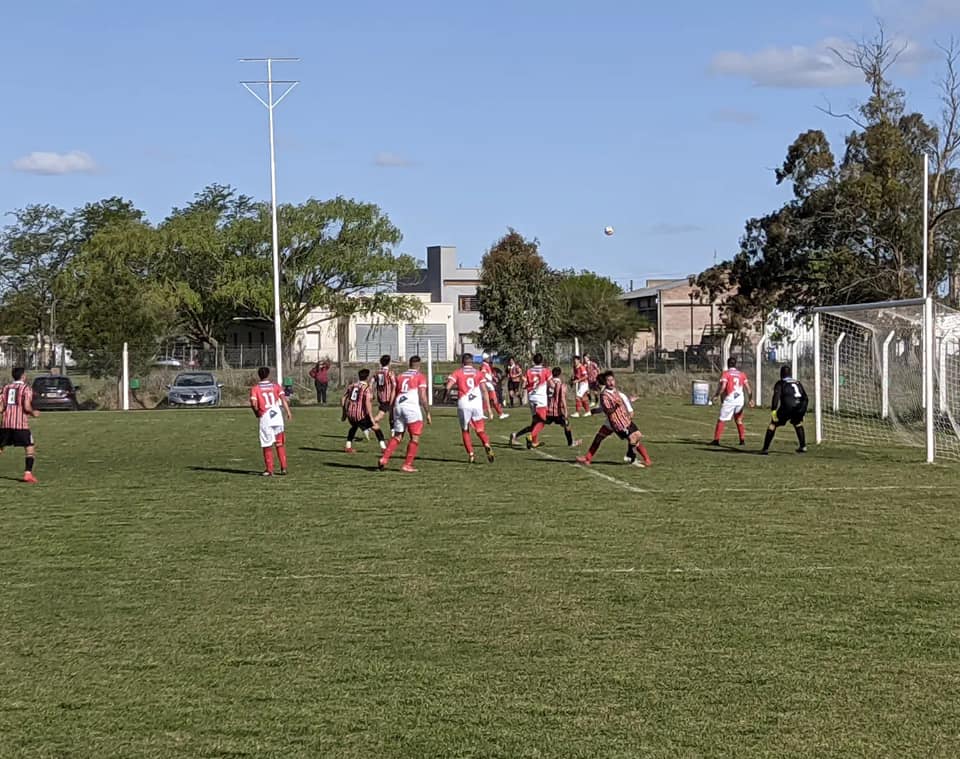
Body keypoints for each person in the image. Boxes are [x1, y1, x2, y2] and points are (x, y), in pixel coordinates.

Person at [577, 371, 652, 467]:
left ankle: (640, 458)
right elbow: (607, 409)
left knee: (634, 438)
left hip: (619, 420)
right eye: (608, 381)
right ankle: (588, 458)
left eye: (612, 380)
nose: (611, 382)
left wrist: (628, 408)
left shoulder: (616, 392)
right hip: (614, 421)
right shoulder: (604, 395)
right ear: (605, 382)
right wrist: (595, 411)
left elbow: (620, 403)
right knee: (600, 437)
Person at [379, 356, 432, 472]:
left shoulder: (400, 376)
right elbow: (423, 396)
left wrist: (391, 409)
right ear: (419, 365)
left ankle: (384, 458)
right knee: (415, 437)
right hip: (411, 407)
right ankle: (407, 465)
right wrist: (427, 412)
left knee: (397, 436)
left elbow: (393, 393)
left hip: (398, 405)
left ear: (409, 364)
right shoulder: (420, 376)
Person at [510, 366, 581, 449]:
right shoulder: (560, 385)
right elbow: (562, 399)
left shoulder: (547, 383)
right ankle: (571, 443)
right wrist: (565, 411)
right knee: (567, 425)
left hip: (547, 410)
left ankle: (516, 435)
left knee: (534, 426)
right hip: (557, 412)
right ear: (560, 375)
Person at [444, 353, 495, 463]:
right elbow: (484, 391)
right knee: (480, 430)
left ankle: (471, 454)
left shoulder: (458, 372)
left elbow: (448, 386)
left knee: (465, 430)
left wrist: (445, 394)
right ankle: (486, 444)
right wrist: (489, 409)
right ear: (472, 362)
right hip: (476, 404)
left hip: (464, 403)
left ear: (463, 362)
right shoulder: (478, 373)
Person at [249, 366, 292, 477]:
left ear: (259, 375)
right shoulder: (276, 386)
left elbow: (253, 403)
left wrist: (256, 412)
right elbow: (283, 400)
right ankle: (283, 468)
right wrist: (288, 412)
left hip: (266, 417)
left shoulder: (255, 388)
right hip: (277, 417)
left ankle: (269, 469)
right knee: (280, 443)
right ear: (268, 375)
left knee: (267, 444)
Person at [0, 367, 39, 483]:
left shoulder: (6, 388)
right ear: (23, 376)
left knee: (1, 447)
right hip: (20, 424)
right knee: (29, 447)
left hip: (6, 423)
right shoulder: (26, 388)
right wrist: (33, 413)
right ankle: (28, 474)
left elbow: (1, 407)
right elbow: (26, 406)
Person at [761, 365, 809, 454]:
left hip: (787, 407)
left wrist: (773, 410)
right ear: (790, 374)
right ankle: (803, 446)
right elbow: (805, 397)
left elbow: (776, 397)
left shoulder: (781, 383)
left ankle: (765, 449)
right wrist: (803, 410)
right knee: (797, 422)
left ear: (781, 374)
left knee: (773, 424)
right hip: (800, 406)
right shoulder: (798, 382)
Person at [710, 357, 753, 446]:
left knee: (721, 419)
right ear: (735, 364)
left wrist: (717, 395)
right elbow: (748, 389)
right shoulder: (741, 374)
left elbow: (723, 387)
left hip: (730, 400)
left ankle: (716, 440)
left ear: (728, 364)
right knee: (739, 420)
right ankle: (742, 440)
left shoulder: (726, 374)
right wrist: (750, 399)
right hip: (740, 400)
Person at [512, 352, 551, 448]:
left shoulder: (529, 371)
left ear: (533, 361)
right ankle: (530, 436)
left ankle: (531, 441)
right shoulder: (545, 371)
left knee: (535, 422)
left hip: (532, 398)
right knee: (542, 421)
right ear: (542, 361)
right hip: (540, 399)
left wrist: (527, 387)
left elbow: (524, 384)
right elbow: (551, 384)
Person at [342, 368, 386, 453]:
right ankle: (384, 448)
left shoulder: (352, 386)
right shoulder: (366, 388)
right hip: (360, 414)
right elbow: (367, 403)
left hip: (350, 413)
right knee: (376, 427)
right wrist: (371, 417)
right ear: (367, 377)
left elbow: (343, 398)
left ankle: (348, 446)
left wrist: (344, 412)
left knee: (354, 427)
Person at [479, 352, 508, 420]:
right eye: (488, 358)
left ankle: (499, 413)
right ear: (485, 358)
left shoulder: (486, 365)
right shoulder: (484, 366)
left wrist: (493, 378)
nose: (489, 359)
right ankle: (500, 414)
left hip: (488, 384)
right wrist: (490, 380)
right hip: (488, 385)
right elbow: (483, 374)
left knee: (489, 399)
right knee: (492, 399)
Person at [373, 354, 397, 425]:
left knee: (392, 414)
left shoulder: (377, 372)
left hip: (380, 397)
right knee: (381, 415)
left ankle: (392, 429)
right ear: (389, 362)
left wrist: (372, 393)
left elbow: (371, 382)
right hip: (388, 397)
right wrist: (393, 397)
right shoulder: (390, 373)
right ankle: (368, 424)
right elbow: (394, 385)